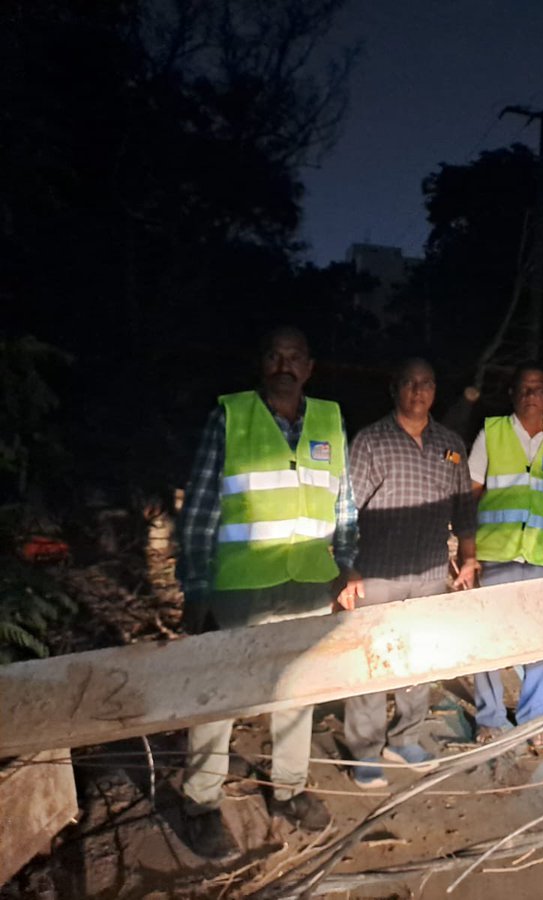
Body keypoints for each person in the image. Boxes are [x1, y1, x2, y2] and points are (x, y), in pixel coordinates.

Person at [176, 326, 357, 858]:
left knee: (297, 691)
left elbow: (342, 500)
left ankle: (290, 788)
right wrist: (195, 586)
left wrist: (344, 563)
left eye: (294, 356)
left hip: (307, 583)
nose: (285, 364)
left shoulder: (329, 419)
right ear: (262, 363)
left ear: (309, 366)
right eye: (275, 355)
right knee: (221, 694)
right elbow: (202, 509)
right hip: (240, 585)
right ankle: (201, 801)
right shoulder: (230, 416)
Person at [336, 359, 477, 788]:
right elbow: (346, 507)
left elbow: (464, 509)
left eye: (427, 384)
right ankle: (365, 749)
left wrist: (468, 557)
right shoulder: (371, 441)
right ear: (395, 388)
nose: (419, 391)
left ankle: (406, 737)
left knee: (418, 660)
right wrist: (348, 567)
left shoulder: (450, 444)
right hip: (377, 572)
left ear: (436, 391)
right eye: (410, 384)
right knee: (371, 663)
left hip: (431, 571)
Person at [467, 364, 543, 747]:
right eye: (523, 388)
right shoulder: (492, 433)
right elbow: (471, 492)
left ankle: (534, 716)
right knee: (489, 641)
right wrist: (466, 550)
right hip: (496, 552)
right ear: (513, 394)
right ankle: (490, 718)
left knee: (540, 641)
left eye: (537, 389)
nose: (530, 395)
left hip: (541, 557)